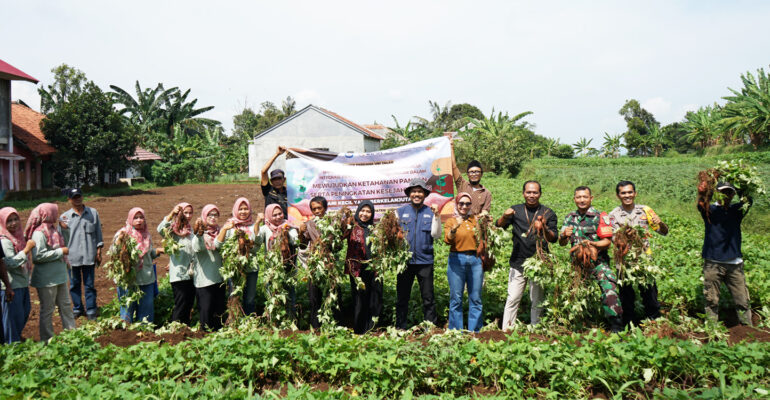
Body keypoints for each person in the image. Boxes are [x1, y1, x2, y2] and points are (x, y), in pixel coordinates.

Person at [558, 187, 623, 332]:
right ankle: (576, 323)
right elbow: (561, 243)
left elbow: (606, 242)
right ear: (574, 199)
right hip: (577, 264)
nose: (582, 200)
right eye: (578, 197)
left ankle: (616, 325)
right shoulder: (570, 217)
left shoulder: (600, 216)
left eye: (585, 197)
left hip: (598, 262)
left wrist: (592, 245)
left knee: (609, 288)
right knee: (573, 293)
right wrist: (563, 236)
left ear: (591, 198)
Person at [496, 181, 558, 328]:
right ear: (523, 193)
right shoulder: (515, 210)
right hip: (518, 261)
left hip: (539, 262)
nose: (531, 195)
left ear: (540, 194)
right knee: (512, 298)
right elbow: (499, 226)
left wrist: (543, 226)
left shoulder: (548, 213)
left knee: (537, 299)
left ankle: (536, 329)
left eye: (535, 192)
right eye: (528, 192)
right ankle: (507, 329)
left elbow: (554, 238)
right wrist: (505, 216)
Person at [610, 180, 668, 327]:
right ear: (618, 195)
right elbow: (614, 240)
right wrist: (625, 236)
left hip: (643, 260)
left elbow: (664, 232)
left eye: (630, 192)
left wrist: (660, 223)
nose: (627, 195)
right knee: (626, 295)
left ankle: (653, 320)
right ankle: (630, 323)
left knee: (650, 292)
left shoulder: (645, 210)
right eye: (623, 193)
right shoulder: (614, 215)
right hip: (624, 261)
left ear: (635, 193)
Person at [697, 181, 753, 325]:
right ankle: (712, 329)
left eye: (729, 192)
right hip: (713, 263)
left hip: (735, 263)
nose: (726, 195)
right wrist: (706, 188)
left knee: (742, 300)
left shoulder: (736, 210)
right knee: (711, 300)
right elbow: (701, 202)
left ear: (733, 194)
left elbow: (749, 200)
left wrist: (740, 180)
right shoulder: (710, 210)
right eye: (722, 191)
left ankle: (748, 329)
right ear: (716, 193)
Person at [25, 203, 76, 342]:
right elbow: (38, 256)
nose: (57, 214)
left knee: (66, 306)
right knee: (48, 310)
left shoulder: (53, 230)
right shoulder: (39, 233)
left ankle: (73, 336)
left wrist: (65, 230)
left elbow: (64, 243)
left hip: (59, 276)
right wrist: (60, 252)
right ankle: (47, 340)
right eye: (54, 212)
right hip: (47, 279)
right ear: (48, 214)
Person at [395, 178, 441, 329]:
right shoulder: (400, 212)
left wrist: (437, 216)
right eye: (414, 191)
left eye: (420, 191)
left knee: (428, 298)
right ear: (409, 194)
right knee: (402, 297)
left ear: (424, 194)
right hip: (405, 262)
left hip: (425, 261)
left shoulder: (431, 212)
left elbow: (436, 234)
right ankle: (400, 327)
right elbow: (391, 235)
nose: (417, 194)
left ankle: (430, 328)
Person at [112, 207, 163, 323]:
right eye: (135, 218)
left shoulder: (147, 235)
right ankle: (126, 333)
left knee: (147, 308)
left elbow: (148, 254)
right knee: (127, 307)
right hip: (129, 278)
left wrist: (157, 252)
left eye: (141, 217)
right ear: (130, 219)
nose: (139, 220)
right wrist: (119, 242)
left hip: (146, 277)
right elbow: (114, 253)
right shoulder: (123, 234)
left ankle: (145, 332)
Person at [60, 188, 104, 321]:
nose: (77, 199)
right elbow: (61, 239)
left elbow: (98, 233)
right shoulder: (64, 218)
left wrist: (99, 251)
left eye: (79, 196)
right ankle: (78, 308)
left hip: (89, 255)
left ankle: (91, 309)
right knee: (74, 284)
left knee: (89, 284)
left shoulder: (93, 213)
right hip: (72, 257)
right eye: (74, 197)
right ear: (69, 199)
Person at [443, 193, 484, 332]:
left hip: (475, 260)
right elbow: (447, 240)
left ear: (471, 205)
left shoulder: (475, 220)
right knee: (456, 297)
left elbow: (483, 237)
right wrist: (455, 228)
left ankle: (475, 330)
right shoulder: (451, 221)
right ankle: (456, 331)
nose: (464, 206)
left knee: (476, 297)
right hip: (457, 259)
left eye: (467, 204)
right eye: (461, 203)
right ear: (456, 204)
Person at [217, 197, 263, 315]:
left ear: (250, 210)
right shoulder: (230, 226)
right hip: (234, 268)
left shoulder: (253, 226)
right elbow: (221, 245)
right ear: (236, 210)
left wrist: (257, 225)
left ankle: (249, 322)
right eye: (240, 209)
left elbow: (257, 246)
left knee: (249, 298)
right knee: (234, 296)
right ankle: (234, 322)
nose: (243, 212)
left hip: (251, 268)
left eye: (246, 209)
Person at [344, 200, 383, 334]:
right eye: (362, 210)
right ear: (358, 211)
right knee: (359, 298)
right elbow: (338, 239)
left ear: (372, 214)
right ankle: (359, 330)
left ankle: (372, 329)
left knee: (375, 298)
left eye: (368, 211)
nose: (365, 214)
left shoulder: (375, 228)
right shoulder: (351, 227)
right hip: (357, 269)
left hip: (374, 268)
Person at [256, 204, 299, 320]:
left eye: (280, 213)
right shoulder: (265, 228)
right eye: (274, 215)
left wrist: (286, 234)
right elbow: (257, 240)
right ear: (269, 216)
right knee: (273, 295)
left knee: (290, 294)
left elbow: (296, 241)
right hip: (272, 269)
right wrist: (256, 224)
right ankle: (274, 321)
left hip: (288, 267)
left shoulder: (289, 225)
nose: (278, 217)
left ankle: (291, 320)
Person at [158, 203, 196, 325]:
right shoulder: (173, 229)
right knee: (181, 303)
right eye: (186, 212)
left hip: (191, 274)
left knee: (188, 303)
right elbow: (160, 229)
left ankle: (185, 329)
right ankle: (175, 329)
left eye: (190, 213)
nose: (188, 216)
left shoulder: (191, 230)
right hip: (179, 274)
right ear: (180, 213)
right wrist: (171, 214)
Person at [191, 204, 227, 331]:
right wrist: (200, 234)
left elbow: (221, 246)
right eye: (210, 215)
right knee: (206, 310)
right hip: (204, 280)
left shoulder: (220, 232)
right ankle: (204, 336)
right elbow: (198, 248)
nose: (213, 217)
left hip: (218, 278)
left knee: (218, 310)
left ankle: (218, 334)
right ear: (204, 216)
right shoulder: (197, 234)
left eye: (215, 215)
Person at [298, 196, 330, 330]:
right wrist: (301, 233)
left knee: (331, 294)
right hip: (314, 264)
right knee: (314, 296)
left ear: (325, 208)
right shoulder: (309, 224)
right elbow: (303, 244)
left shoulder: (332, 223)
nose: (317, 211)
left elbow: (338, 245)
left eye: (319, 208)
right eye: (314, 209)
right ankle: (315, 327)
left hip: (329, 263)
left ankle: (331, 324)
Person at [1, 207, 32, 343]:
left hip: (21, 283)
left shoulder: (18, 238)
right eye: (9, 221)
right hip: (12, 285)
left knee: (22, 314)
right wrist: (25, 251)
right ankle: (11, 347)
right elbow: (9, 263)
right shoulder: (5, 241)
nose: (13, 223)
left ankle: (13, 341)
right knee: (12, 319)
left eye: (15, 219)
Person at [451, 139, 492, 215]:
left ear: (481, 174)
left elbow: (485, 211)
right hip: (460, 222)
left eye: (477, 171)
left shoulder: (486, 193)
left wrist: (478, 218)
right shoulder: (462, 184)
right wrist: (451, 146)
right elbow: (454, 166)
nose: (474, 174)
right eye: (471, 172)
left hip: (475, 224)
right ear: (468, 174)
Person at [261, 146, 289, 215]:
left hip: (285, 224)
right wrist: (277, 154)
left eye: (279, 178)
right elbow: (263, 171)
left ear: (284, 179)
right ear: (271, 181)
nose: (277, 181)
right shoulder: (268, 190)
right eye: (274, 179)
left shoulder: (289, 194)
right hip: (271, 224)